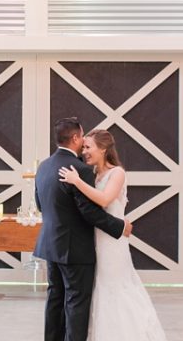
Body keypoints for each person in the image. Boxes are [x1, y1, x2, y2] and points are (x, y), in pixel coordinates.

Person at [59, 129, 167, 341]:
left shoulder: (117, 173)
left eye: (88, 147)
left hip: (112, 244)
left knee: (114, 287)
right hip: (94, 241)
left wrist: (76, 181)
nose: (84, 151)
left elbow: (105, 199)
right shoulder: (92, 174)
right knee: (98, 288)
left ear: (103, 149)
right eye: (83, 147)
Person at [34, 118, 133, 341]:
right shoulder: (79, 169)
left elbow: (40, 205)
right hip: (75, 249)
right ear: (76, 137)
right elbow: (89, 212)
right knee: (76, 303)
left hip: (51, 245)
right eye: (83, 140)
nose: (85, 148)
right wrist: (120, 226)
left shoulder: (44, 166)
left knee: (55, 298)